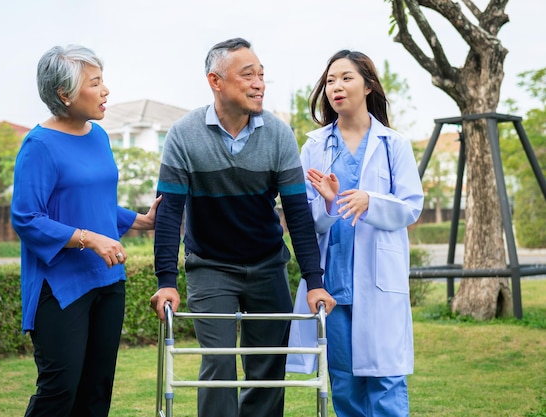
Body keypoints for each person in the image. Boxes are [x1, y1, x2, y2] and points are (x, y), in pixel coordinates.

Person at [149, 37, 336, 417]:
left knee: (267, 367)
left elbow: (297, 214)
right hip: (210, 267)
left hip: (267, 265)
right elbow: (169, 214)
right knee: (218, 364)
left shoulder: (279, 135)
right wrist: (166, 281)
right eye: (247, 74)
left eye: (262, 75)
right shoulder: (184, 135)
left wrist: (314, 282)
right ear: (215, 81)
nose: (259, 83)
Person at [11, 44, 160, 417]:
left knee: (97, 392)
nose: (106, 90)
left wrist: (140, 220)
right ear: (64, 94)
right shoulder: (39, 145)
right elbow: (27, 218)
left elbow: (94, 203)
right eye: (95, 83)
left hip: (108, 280)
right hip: (60, 287)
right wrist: (88, 239)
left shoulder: (98, 136)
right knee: (59, 390)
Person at [289, 50, 424, 416]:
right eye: (331, 80)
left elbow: (411, 206)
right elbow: (305, 219)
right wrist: (331, 204)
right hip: (332, 284)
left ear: (368, 86)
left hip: (379, 281)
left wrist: (370, 201)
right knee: (344, 382)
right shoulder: (314, 146)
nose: (336, 87)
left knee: (385, 379)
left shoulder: (393, 144)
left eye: (346, 78)